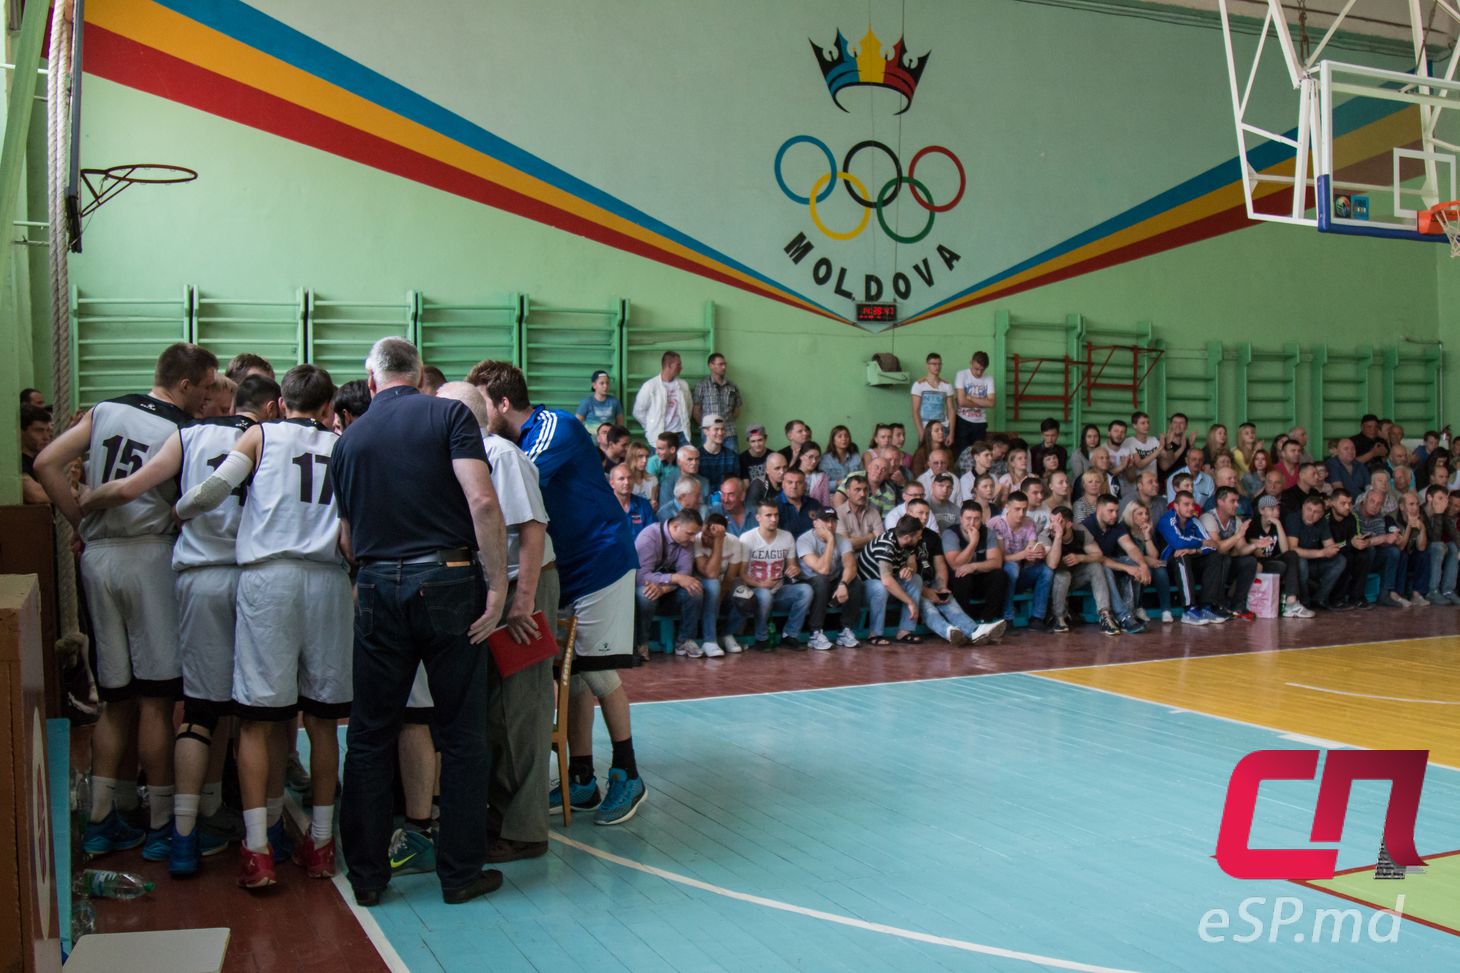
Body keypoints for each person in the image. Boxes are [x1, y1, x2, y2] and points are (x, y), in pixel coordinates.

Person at [329, 340, 510, 906]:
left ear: (373, 378)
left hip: (379, 584)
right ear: (417, 374)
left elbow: (347, 536)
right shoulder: (449, 413)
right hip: (449, 579)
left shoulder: (348, 439)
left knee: (369, 733)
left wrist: (372, 581)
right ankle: (459, 874)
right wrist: (499, 586)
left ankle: (367, 877)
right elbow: (481, 502)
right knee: (460, 733)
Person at [80, 375, 283, 877]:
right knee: (264, 716)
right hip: (254, 579)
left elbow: (129, 487)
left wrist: (83, 507)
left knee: (198, 710)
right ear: (272, 407)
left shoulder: (188, 435)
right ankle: (268, 833)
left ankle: (182, 836)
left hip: (195, 579)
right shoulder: (275, 439)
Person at [34, 342, 219, 862]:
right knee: (158, 698)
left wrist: (79, 522)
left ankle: (99, 821)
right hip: (149, 556)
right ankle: (161, 822)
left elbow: (47, 462)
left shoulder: (106, 409)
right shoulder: (182, 431)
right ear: (185, 384)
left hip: (99, 558)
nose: (207, 401)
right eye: (205, 390)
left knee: (114, 699)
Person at [173, 365, 352, 890]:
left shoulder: (260, 433)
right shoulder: (343, 444)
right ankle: (320, 843)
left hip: (268, 581)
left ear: (278, 404)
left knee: (256, 718)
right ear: (326, 409)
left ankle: (257, 851)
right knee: (321, 720)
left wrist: (178, 512)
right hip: (326, 583)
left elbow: (211, 492)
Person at [468, 358, 646, 826]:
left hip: (602, 562)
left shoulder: (553, 427)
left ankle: (627, 774)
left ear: (503, 402)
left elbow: (520, 475)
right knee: (576, 672)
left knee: (598, 673)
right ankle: (582, 776)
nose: (475, 412)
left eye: (480, 402)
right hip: (569, 566)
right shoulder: (516, 438)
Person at [901, 498, 1005, 644]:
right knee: (929, 608)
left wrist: (942, 585)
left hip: (931, 582)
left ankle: (974, 631)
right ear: (908, 513)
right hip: (912, 586)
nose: (925, 517)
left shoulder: (932, 536)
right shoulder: (900, 536)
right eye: (920, 513)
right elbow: (907, 572)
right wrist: (925, 590)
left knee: (948, 602)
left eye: (927, 513)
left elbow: (940, 565)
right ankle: (950, 632)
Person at [733, 500, 813, 649]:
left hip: (779, 590)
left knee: (806, 590)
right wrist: (760, 584)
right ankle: (761, 638)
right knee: (765, 595)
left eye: (776, 515)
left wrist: (795, 570)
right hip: (756, 590)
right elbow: (741, 574)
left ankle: (790, 635)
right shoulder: (747, 538)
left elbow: (792, 566)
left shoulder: (787, 536)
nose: (774, 519)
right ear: (758, 518)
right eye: (768, 515)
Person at [634, 511, 706, 657]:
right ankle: (642, 644)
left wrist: (664, 588)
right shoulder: (649, 536)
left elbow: (685, 575)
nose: (693, 539)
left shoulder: (686, 541)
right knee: (645, 595)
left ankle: (685, 641)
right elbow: (641, 576)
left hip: (666, 590)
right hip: (644, 586)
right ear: (675, 526)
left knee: (694, 588)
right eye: (690, 533)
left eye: (695, 534)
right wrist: (675, 578)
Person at [1157, 490, 1230, 625]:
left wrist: (1194, 549)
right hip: (1168, 564)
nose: (1191, 508)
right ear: (1176, 506)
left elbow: (1212, 545)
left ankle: (1207, 606)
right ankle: (1189, 609)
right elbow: (1177, 543)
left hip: (1191, 559)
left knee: (1216, 555)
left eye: (1192, 504)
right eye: (1186, 504)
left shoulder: (1194, 521)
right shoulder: (1167, 520)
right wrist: (1200, 542)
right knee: (1181, 556)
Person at [796, 507, 863, 650]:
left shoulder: (842, 539)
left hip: (833, 580)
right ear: (815, 523)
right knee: (821, 580)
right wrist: (830, 541)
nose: (830, 525)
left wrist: (843, 584)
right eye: (826, 521)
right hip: (809, 582)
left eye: (833, 521)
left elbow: (851, 566)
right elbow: (822, 569)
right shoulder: (804, 540)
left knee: (854, 581)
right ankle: (815, 633)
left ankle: (846, 630)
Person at [1042, 506, 1115, 635]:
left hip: (1076, 577)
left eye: (1058, 522)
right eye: (1051, 521)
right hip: (1054, 581)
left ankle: (1105, 616)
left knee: (1096, 566)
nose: (1053, 526)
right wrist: (1058, 537)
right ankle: (1058, 617)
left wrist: (1081, 557)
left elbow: (1098, 555)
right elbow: (1052, 564)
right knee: (1063, 575)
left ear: (1069, 524)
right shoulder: (1046, 534)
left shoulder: (1080, 530)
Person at [1082, 495, 1150, 634]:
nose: (1115, 515)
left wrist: (1142, 565)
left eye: (1116, 511)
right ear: (1099, 509)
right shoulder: (1086, 526)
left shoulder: (1116, 526)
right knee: (1106, 568)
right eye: (1110, 511)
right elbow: (1100, 559)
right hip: (1089, 572)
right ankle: (1123, 616)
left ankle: (1132, 612)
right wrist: (1127, 568)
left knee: (1134, 563)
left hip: (1109, 563)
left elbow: (1130, 547)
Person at [856, 515, 927, 645]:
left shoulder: (906, 540)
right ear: (907, 538)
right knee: (881, 588)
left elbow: (913, 566)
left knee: (915, 579)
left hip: (888, 583)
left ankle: (905, 631)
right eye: (918, 536)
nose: (920, 538)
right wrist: (910, 602)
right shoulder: (886, 544)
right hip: (866, 588)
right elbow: (887, 580)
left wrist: (907, 569)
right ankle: (875, 634)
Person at [988, 491, 1052, 629]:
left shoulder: (1029, 522)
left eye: (1024, 509)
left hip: (1022, 570)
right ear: (1007, 507)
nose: (1021, 513)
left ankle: (1037, 617)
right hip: (1001, 573)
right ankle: (1007, 617)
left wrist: (1036, 551)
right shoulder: (996, 524)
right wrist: (1024, 554)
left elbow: (1031, 545)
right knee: (1011, 568)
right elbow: (998, 558)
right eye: (1017, 509)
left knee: (1046, 571)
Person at [1238, 495, 1309, 618]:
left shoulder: (1278, 524)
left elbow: (1285, 550)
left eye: (1277, 509)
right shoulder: (1253, 525)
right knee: (1280, 565)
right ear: (1261, 511)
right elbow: (1259, 553)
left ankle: (1291, 602)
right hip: (1258, 563)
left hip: (1273, 560)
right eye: (1271, 509)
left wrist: (1279, 525)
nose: (1276, 512)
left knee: (1292, 555)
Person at [942, 501, 1009, 625]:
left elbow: (996, 562)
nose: (972, 523)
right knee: (962, 575)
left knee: (999, 575)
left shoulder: (988, 532)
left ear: (981, 519)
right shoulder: (950, 533)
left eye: (976, 519)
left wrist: (973, 566)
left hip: (979, 577)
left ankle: (988, 620)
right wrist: (973, 543)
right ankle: (964, 622)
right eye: (968, 518)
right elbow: (955, 565)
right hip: (958, 581)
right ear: (961, 518)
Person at [1199, 486, 1257, 618]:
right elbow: (1218, 547)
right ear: (1220, 501)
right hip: (1205, 564)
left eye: (1237, 501)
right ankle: (1216, 604)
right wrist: (1238, 535)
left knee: (1250, 561)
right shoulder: (1208, 517)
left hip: (1225, 563)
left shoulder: (1235, 520)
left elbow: (1241, 549)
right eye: (1233, 501)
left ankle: (1238, 605)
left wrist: (1255, 545)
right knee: (1222, 557)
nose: (1237, 504)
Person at [694, 512, 744, 656]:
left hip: (723, 587)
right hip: (703, 586)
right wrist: (717, 543)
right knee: (714, 585)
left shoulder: (734, 542)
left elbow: (730, 577)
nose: (705, 539)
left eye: (710, 537)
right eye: (704, 534)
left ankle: (728, 634)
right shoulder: (697, 540)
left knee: (744, 592)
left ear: (723, 536)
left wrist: (718, 541)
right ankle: (709, 640)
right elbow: (710, 573)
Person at [1285, 494, 1347, 611]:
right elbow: (1292, 549)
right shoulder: (1294, 518)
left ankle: (1320, 598)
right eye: (1309, 509)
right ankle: (1304, 601)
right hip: (1297, 562)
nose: (1311, 514)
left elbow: (1330, 546)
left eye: (1316, 512)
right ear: (1303, 507)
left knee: (1340, 560)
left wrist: (1333, 549)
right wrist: (1322, 553)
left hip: (1314, 562)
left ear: (1322, 514)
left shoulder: (1322, 522)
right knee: (1301, 561)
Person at [1355, 486, 1408, 608]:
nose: (1375, 506)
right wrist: (1383, 538)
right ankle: (1358, 595)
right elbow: (1360, 542)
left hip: (1373, 556)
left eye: (1379, 504)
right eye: (1372, 501)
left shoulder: (1378, 516)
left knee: (1393, 551)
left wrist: (1391, 539)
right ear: (1364, 500)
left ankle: (1385, 594)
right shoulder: (1354, 513)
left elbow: (1380, 540)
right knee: (1370, 549)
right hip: (1357, 556)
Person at [632, 350, 692, 445]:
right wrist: (651, 425)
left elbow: (689, 408)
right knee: (660, 460)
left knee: (685, 459)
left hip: (681, 435)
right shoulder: (650, 386)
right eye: (678, 365)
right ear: (669, 365)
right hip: (659, 435)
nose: (681, 367)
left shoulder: (683, 385)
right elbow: (638, 411)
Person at [691, 352, 742, 453]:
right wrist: (707, 426)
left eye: (724, 364)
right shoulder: (702, 385)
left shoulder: (732, 386)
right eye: (720, 364)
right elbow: (696, 411)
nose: (723, 367)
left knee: (732, 462)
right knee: (709, 462)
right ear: (711, 366)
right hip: (709, 434)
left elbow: (737, 410)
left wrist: (727, 421)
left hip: (729, 432)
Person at [952, 350, 996, 457]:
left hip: (980, 422)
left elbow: (991, 403)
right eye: (976, 369)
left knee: (978, 454)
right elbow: (961, 401)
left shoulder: (989, 379)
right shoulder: (962, 375)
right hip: (963, 420)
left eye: (982, 370)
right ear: (971, 362)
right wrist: (983, 402)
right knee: (962, 454)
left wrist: (971, 398)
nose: (979, 373)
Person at [1422, 484, 1459, 604]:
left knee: (1453, 547)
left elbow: (1454, 534)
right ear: (1429, 498)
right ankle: (1433, 591)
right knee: (1438, 546)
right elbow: (1434, 539)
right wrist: (1438, 515)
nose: (1444, 502)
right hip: (1419, 551)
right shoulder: (1420, 512)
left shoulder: (1442, 513)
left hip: (1434, 550)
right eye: (1440, 498)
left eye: (1445, 499)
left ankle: (1448, 590)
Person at [911, 352, 955, 436]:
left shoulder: (947, 386)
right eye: (934, 364)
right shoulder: (918, 385)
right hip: (926, 428)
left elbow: (951, 409)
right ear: (927, 365)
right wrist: (921, 433)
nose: (937, 367)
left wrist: (951, 433)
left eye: (939, 364)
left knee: (943, 450)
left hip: (943, 428)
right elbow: (915, 411)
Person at [777, 467, 823, 538]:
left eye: (798, 483)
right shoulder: (774, 506)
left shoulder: (814, 504)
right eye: (790, 482)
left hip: (812, 546)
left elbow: (822, 530)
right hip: (785, 547)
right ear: (783, 484)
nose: (794, 486)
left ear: (805, 485)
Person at [19, 403, 52, 504]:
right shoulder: (18, 463)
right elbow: (36, 495)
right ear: (21, 431)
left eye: (47, 430)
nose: (46, 437)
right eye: (39, 431)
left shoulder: (40, 459)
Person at [610, 463, 655, 533]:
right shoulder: (604, 507)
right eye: (621, 479)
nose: (627, 482)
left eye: (630, 478)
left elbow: (653, 533)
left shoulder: (644, 504)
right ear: (612, 484)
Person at [697, 414, 738, 490]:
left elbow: (736, 483)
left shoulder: (732, 456)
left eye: (722, 429)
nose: (720, 433)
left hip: (725, 499)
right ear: (706, 431)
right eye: (716, 429)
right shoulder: (696, 456)